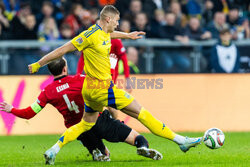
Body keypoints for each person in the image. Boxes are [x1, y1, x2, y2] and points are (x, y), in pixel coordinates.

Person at [28, 5, 202, 165]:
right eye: (117, 21)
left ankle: (54, 149)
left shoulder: (101, 33)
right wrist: (38, 64)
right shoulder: (88, 36)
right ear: (108, 19)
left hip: (89, 90)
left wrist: (127, 35)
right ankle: (181, 141)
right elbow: (62, 50)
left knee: (85, 125)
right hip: (103, 88)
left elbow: (108, 35)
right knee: (141, 113)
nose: (118, 24)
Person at [1, 58, 162, 164]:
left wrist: (11, 109)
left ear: (52, 72)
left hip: (76, 129)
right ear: (65, 68)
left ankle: (96, 152)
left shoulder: (46, 92)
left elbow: (29, 113)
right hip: (97, 120)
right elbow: (103, 88)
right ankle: (143, 147)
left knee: (105, 155)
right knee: (138, 138)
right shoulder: (81, 79)